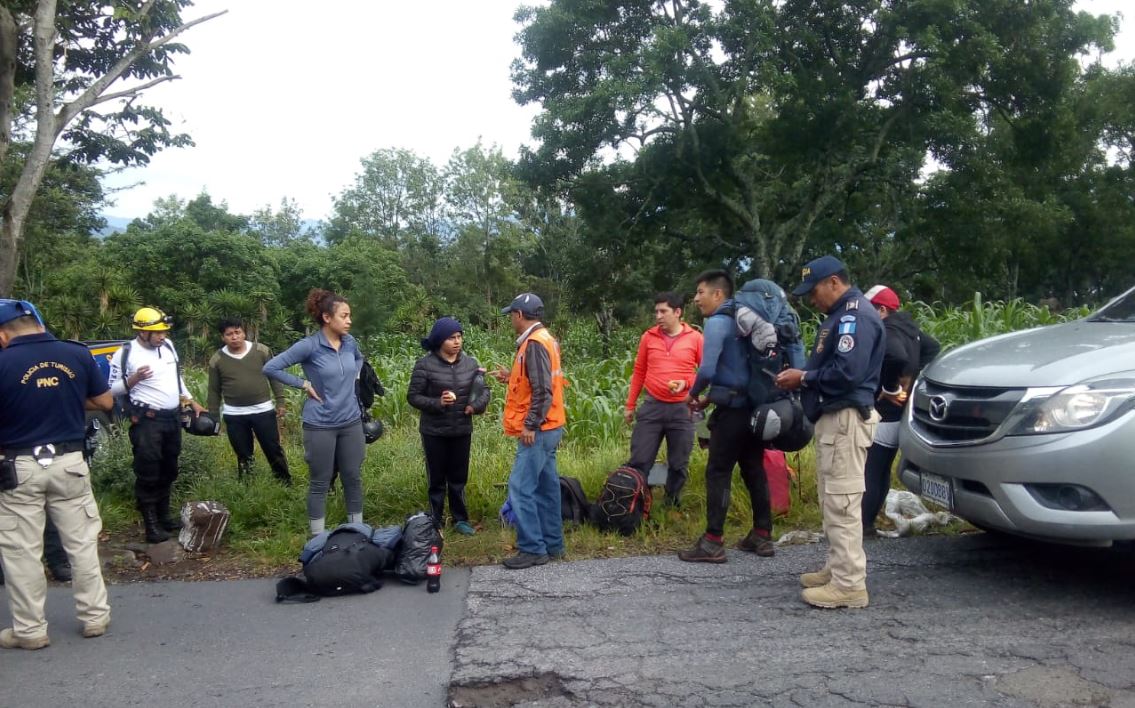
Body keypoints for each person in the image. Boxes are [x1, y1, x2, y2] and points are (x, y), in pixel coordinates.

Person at [0, 299, 113, 650]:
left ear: (3, 335)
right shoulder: (76, 354)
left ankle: (30, 631)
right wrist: (62, 397)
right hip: (70, 462)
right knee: (81, 543)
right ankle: (95, 617)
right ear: (36, 322)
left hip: (18, 466)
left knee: (22, 551)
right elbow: (106, 402)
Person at [776, 256, 885, 609]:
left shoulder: (855, 317)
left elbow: (847, 373)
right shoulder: (839, 317)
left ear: (835, 282)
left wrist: (803, 377)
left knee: (843, 501)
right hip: (832, 420)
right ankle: (838, 568)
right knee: (831, 499)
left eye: (814, 290)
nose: (811, 299)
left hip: (846, 419)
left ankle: (850, 584)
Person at [678, 271, 775, 563]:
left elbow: (707, 370)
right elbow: (739, 371)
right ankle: (762, 534)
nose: (696, 299)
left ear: (718, 295)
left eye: (700, 292)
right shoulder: (748, 321)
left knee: (718, 472)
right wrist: (712, 396)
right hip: (755, 408)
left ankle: (712, 542)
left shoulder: (718, 322)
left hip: (731, 413)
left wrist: (694, 394)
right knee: (753, 469)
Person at [264, 289, 366, 537]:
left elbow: (360, 359)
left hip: (351, 421)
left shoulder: (350, 342)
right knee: (320, 482)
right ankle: (318, 538)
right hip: (320, 424)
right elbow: (271, 367)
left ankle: (358, 532)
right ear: (327, 318)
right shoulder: (309, 346)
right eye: (344, 315)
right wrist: (304, 384)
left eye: (350, 315)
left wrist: (356, 377)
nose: (349, 320)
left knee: (352, 477)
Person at [108, 306, 206, 544]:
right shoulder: (126, 353)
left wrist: (190, 399)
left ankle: (163, 515)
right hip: (146, 420)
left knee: (169, 467)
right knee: (148, 470)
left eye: (164, 331)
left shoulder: (168, 346)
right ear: (142, 332)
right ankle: (150, 524)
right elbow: (110, 390)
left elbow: (176, 376)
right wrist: (134, 379)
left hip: (171, 417)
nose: (162, 336)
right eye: (157, 332)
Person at [489, 293, 566, 569]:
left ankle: (533, 549)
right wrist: (510, 378)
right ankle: (553, 544)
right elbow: (536, 380)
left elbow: (543, 390)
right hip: (552, 424)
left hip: (540, 428)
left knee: (521, 489)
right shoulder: (545, 338)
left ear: (520, 315)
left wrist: (531, 425)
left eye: (512, 314)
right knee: (547, 488)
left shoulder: (533, 343)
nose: (511, 318)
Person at [861, 285, 940, 537]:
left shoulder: (888, 329)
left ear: (881, 310)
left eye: (869, 309)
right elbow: (933, 348)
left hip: (885, 410)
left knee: (871, 470)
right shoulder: (910, 328)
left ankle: (863, 525)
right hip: (900, 412)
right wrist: (912, 377)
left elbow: (895, 356)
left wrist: (891, 386)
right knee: (881, 468)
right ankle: (868, 522)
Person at [407, 317, 491, 535]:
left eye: (459, 336)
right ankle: (434, 519)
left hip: (462, 429)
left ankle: (460, 519)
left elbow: (484, 390)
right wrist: (438, 403)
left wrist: (476, 406)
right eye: (451, 338)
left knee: (458, 478)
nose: (457, 341)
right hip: (434, 430)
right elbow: (413, 396)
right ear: (439, 341)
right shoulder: (425, 365)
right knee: (436, 478)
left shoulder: (470, 364)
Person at [624, 292, 703, 508]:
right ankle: (640, 504)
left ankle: (671, 503)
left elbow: (706, 372)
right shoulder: (648, 337)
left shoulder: (695, 338)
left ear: (677, 312)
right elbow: (639, 371)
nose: (658, 315)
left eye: (663, 311)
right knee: (640, 458)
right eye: (656, 311)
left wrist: (686, 383)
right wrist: (630, 405)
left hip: (682, 408)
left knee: (678, 463)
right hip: (652, 407)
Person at [207, 317, 291, 485]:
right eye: (229, 334)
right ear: (223, 337)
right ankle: (248, 485)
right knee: (243, 453)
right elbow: (214, 390)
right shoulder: (217, 359)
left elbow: (275, 377)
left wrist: (281, 401)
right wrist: (213, 416)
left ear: (244, 332)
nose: (234, 337)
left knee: (273, 449)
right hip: (234, 414)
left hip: (263, 411)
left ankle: (284, 482)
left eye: (237, 332)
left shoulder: (261, 351)